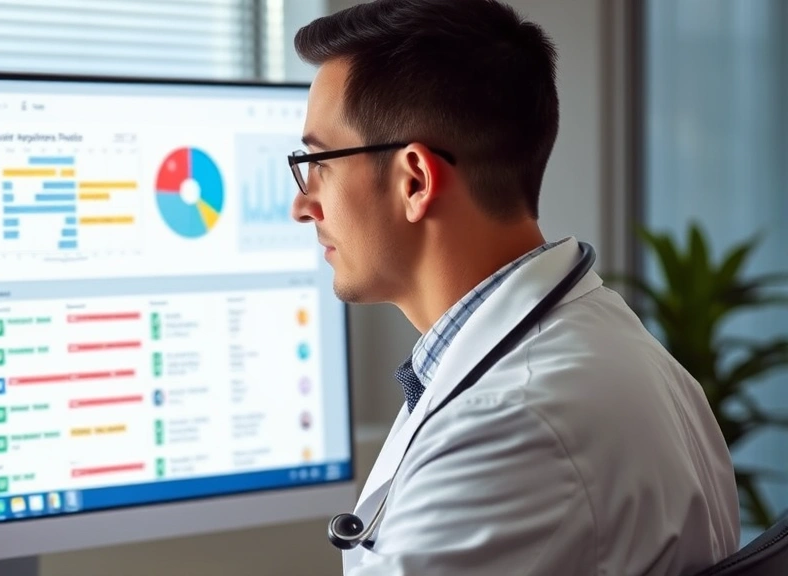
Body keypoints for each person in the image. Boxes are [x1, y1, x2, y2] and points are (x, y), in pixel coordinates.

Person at [288, 1, 740, 575]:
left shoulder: (509, 425)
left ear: (414, 180)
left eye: (318, 162)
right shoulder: (600, 346)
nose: (302, 205)